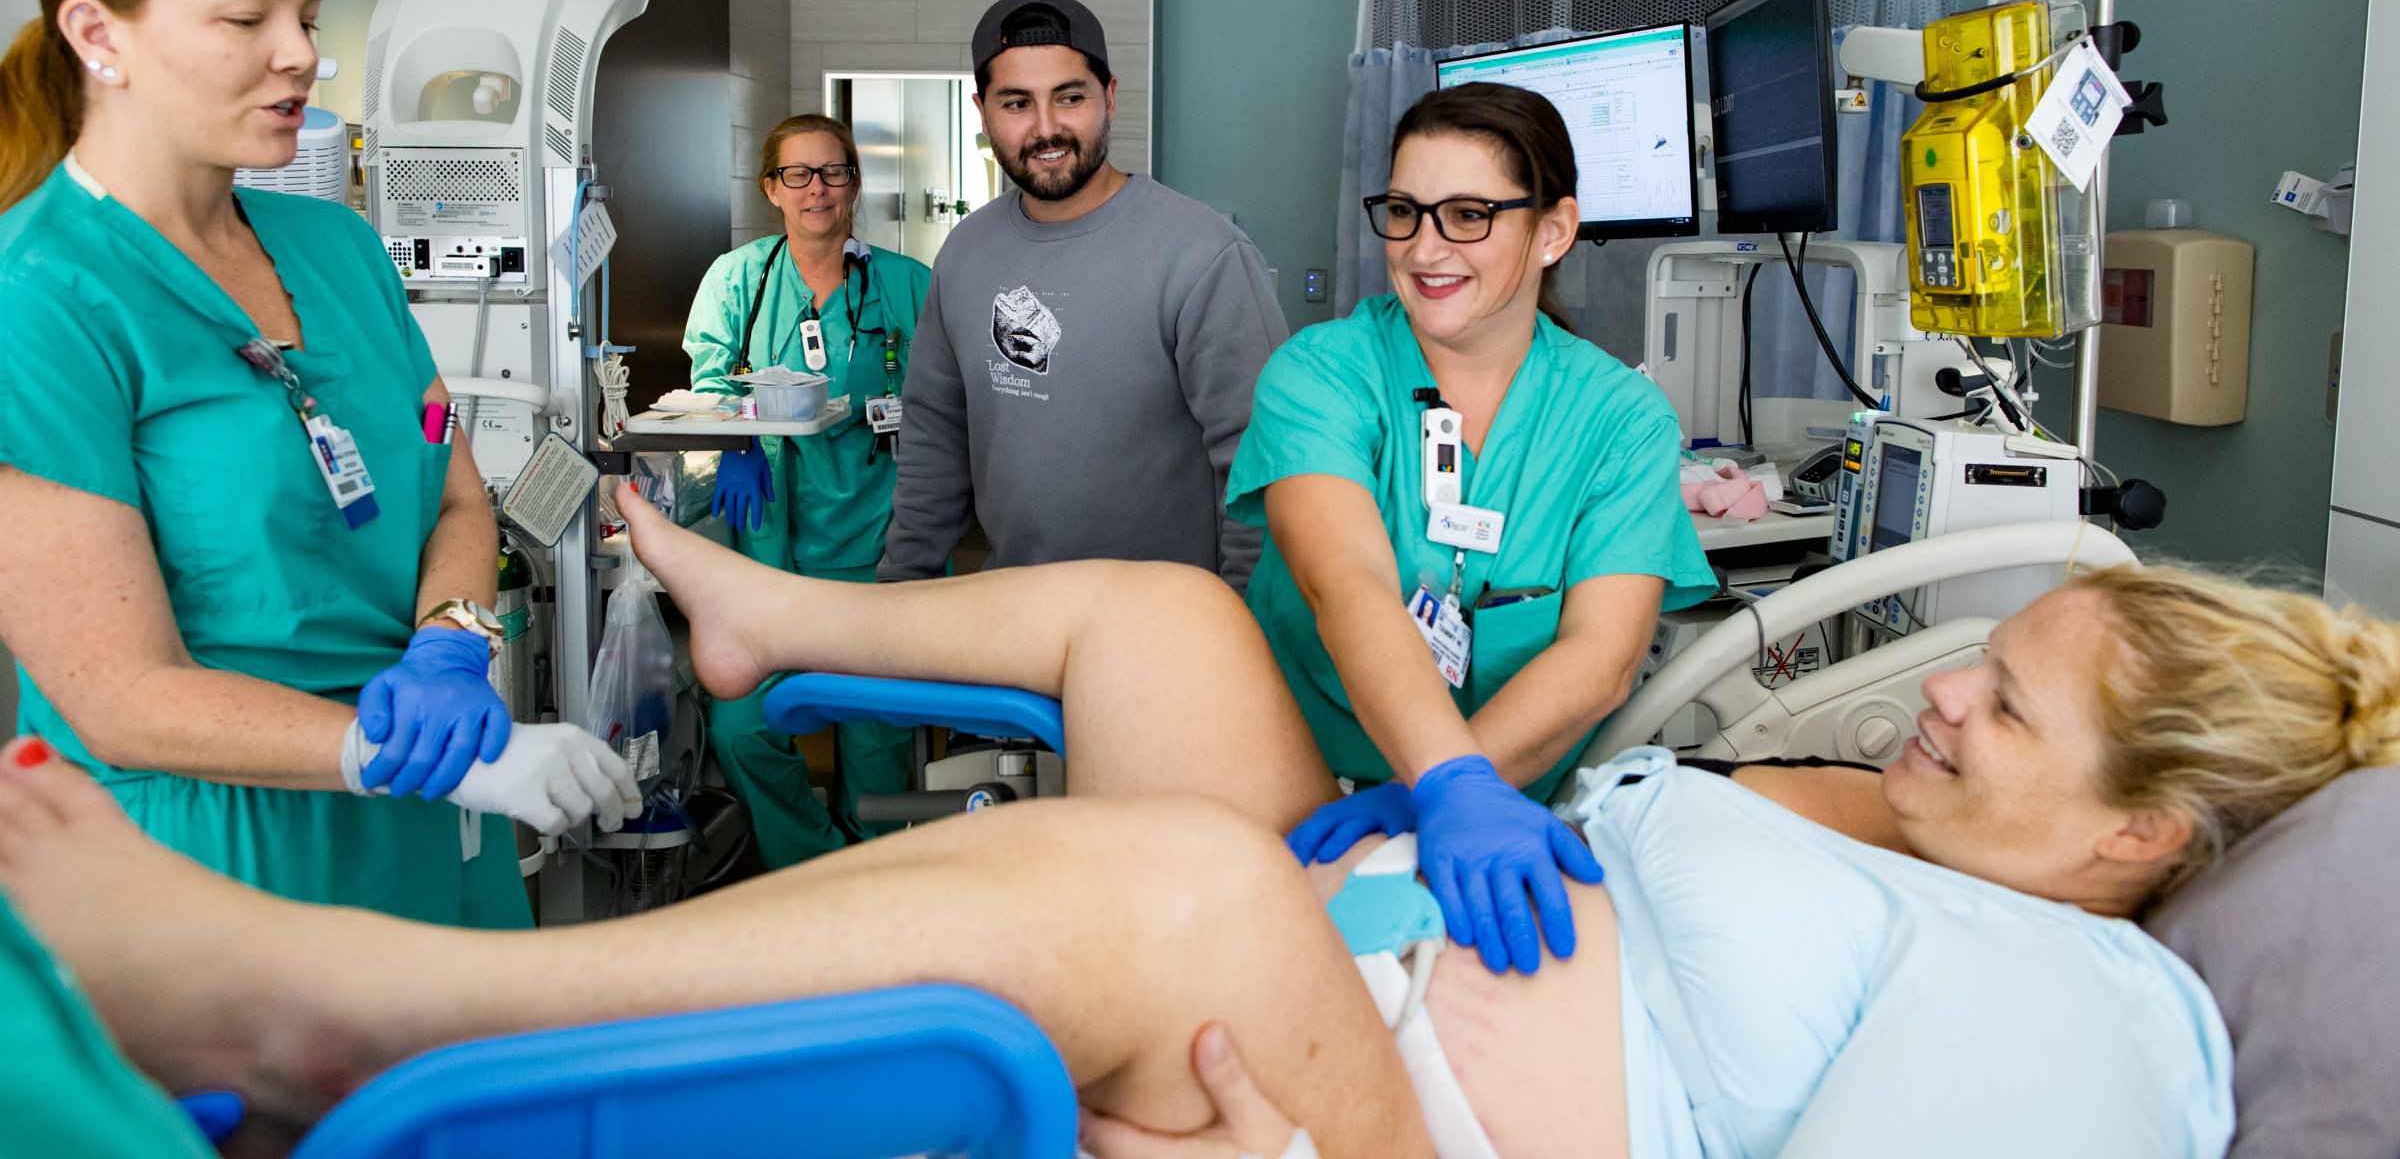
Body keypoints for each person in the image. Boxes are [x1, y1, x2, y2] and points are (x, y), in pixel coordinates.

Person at [10, 497, 2396, 1158]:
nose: (1946, 683)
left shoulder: (2081, 1009)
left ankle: (326, 1000)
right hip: (1367, 935)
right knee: (1159, 615)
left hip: (1384, 1113)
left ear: (2133, 843)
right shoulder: (1897, 833)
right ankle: (751, 619)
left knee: (1172, 880)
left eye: (2010, 701)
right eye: (1983, 647)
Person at [0, 0, 634, 928]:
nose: (300, 54)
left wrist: (452, 640)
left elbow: (455, 493)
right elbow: (119, 698)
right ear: (97, 35)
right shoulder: (41, 300)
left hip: (428, 822)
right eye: (246, 18)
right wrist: (383, 749)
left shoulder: (338, 247)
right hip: (218, 860)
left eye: (304, 16)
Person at [1234, 82, 1716, 972]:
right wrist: (1446, 781)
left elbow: (1601, 658)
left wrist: (1443, 790)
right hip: (1291, 774)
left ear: (1553, 231)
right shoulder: (1321, 375)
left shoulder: (1621, 420)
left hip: (1497, 809)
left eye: (1467, 215)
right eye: (1405, 212)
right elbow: (1349, 587)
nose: (1425, 248)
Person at [878, 0, 1286, 592]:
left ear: (1110, 97)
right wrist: (901, 593)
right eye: (1016, 103)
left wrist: (1243, 631)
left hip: (1168, 631)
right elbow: (933, 440)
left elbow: (1260, 468)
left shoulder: (1203, 255)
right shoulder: (965, 253)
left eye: (1070, 98)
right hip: (1013, 616)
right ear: (982, 112)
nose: (1047, 128)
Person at [682, 115, 931, 864]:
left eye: (833, 172)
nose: (817, 189)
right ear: (771, 187)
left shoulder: (905, 285)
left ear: (855, 183)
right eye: (799, 174)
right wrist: (737, 444)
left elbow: (947, 400)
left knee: (878, 741)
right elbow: (708, 380)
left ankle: (871, 877)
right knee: (740, 730)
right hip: (769, 555)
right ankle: (811, 861)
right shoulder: (740, 277)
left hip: (875, 543)